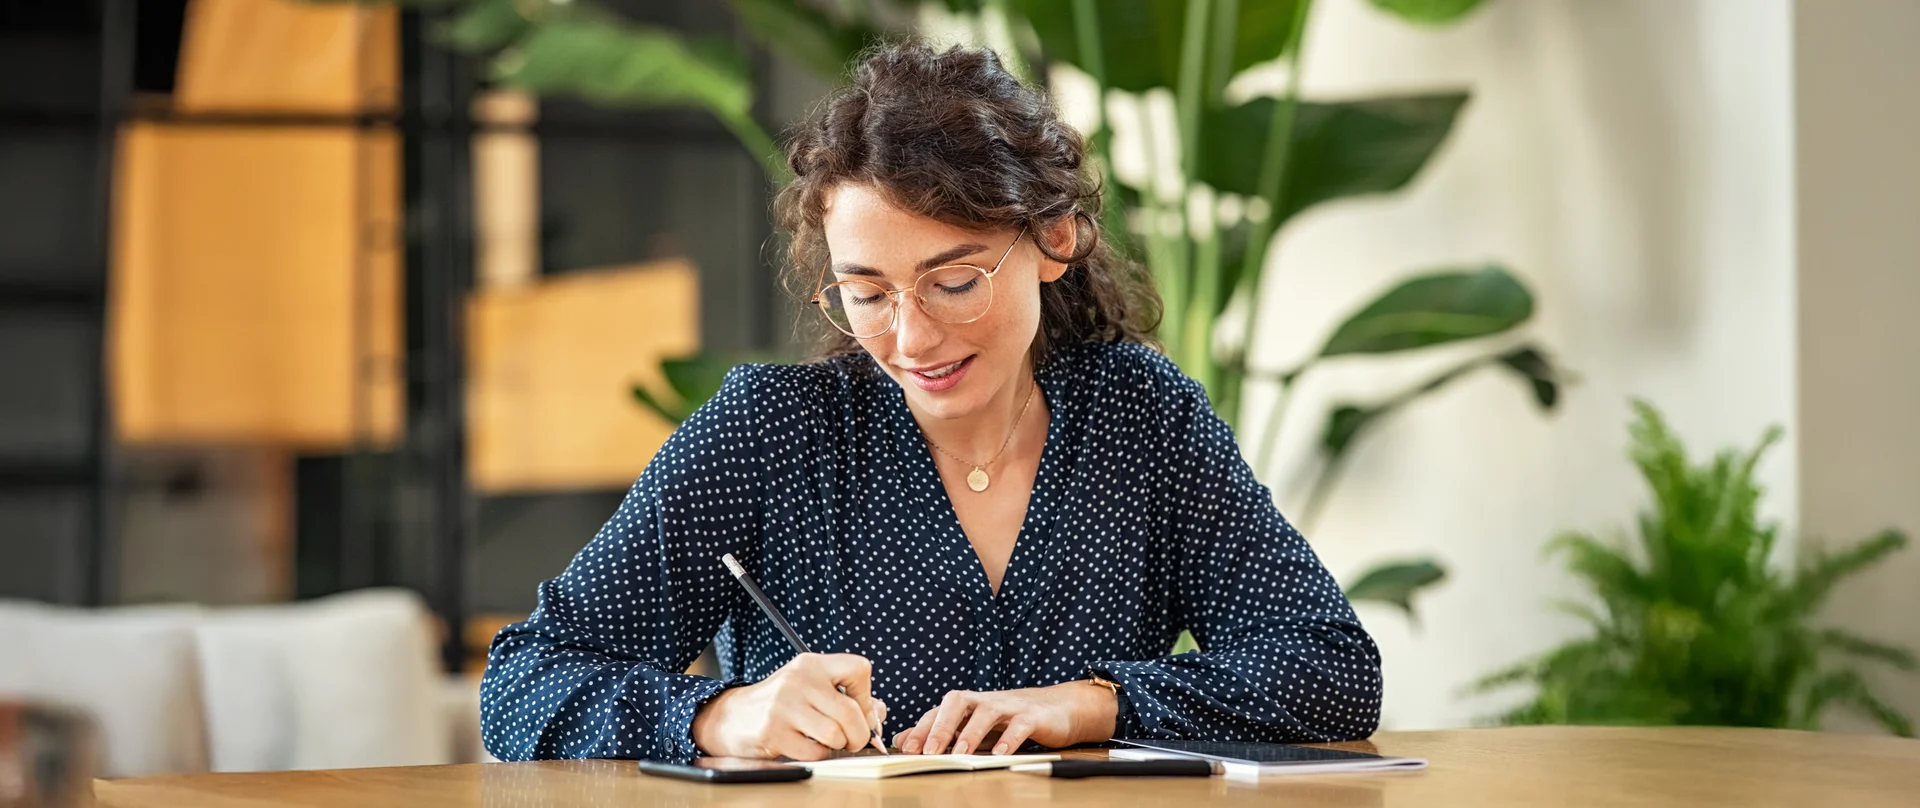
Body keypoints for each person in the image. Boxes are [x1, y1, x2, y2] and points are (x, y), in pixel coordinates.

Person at [479, 42, 1381, 763]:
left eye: (953, 282)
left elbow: (1329, 667)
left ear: (1054, 237)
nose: (911, 340)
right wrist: (723, 715)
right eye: (868, 293)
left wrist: (1094, 704)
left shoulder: (1141, 418)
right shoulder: (768, 432)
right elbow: (522, 686)